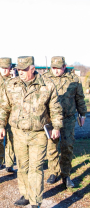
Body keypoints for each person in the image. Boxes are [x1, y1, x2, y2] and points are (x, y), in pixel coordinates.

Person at [0, 56, 63, 208]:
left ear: (33, 69)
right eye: (19, 69)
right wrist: (1, 126)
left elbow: (55, 108)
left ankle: (35, 201)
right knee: (23, 166)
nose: (21, 72)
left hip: (38, 133)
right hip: (18, 132)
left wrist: (57, 127)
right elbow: (4, 107)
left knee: (36, 167)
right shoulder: (11, 85)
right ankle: (25, 194)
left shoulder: (47, 85)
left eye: (25, 70)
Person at [43, 56, 87, 188]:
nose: (56, 71)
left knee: (67, 146)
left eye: (59, 68)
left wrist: (83, 114)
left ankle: (66, 174)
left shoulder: (74, 79)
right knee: (51, 146)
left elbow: (80, 98)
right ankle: (53, 172)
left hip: (68, 118)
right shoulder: (45, 78)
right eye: (54, 68)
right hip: (51, 118)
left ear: (64, 66)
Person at [0, 57, 15, 173]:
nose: (4, 70)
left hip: (12, 114)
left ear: (10, 67)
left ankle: (9, 164)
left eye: (7, 68)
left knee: (11, 138)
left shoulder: (15, 78)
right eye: (2, 68)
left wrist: (15, 77)